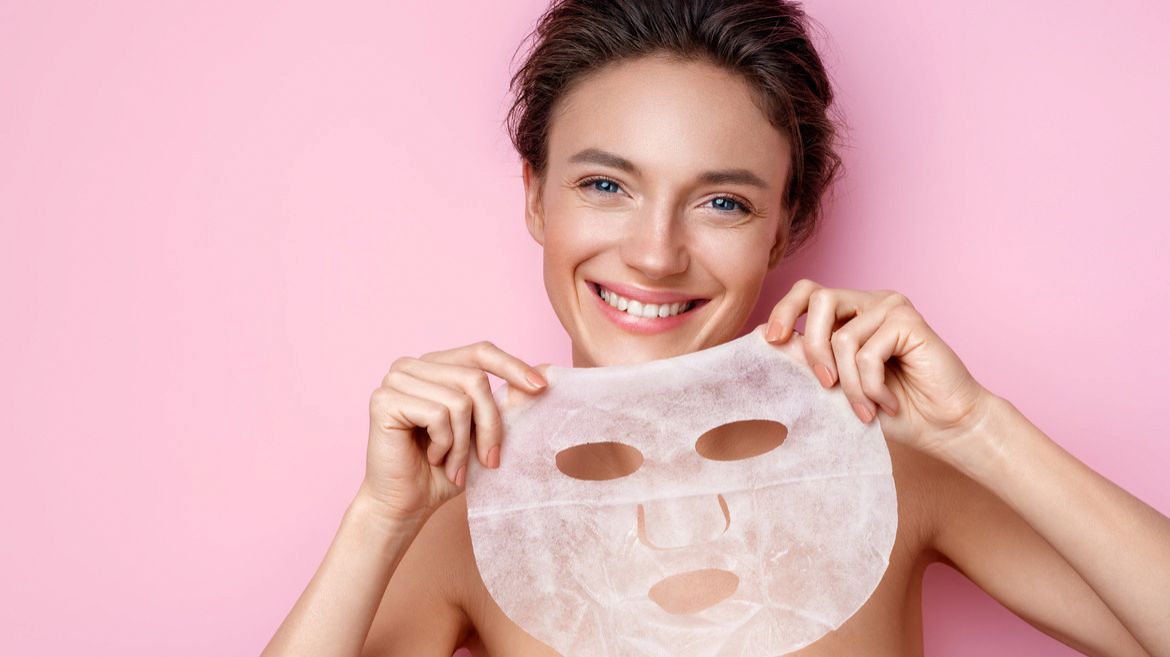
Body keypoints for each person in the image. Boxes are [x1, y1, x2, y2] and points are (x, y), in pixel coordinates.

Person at [260, 1, 1170, 655]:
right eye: (605, 185)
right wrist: (377, 520)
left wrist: (981, 430)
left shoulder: (886, 455)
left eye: (723, 201)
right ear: (535, 196)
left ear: (786, 226)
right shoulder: (467, 507)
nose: (655, 254)